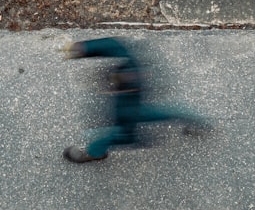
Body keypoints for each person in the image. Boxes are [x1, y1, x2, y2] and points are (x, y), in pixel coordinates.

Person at [62, 37, 209, 163]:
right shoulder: (130, 64)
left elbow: (126, 135)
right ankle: (194, 119)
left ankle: (94, 152)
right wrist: (85, 48)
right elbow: (114, 45)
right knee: (150, 114)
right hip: (131, 96)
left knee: (126, 128)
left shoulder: (129, 88)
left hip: (130, 101)